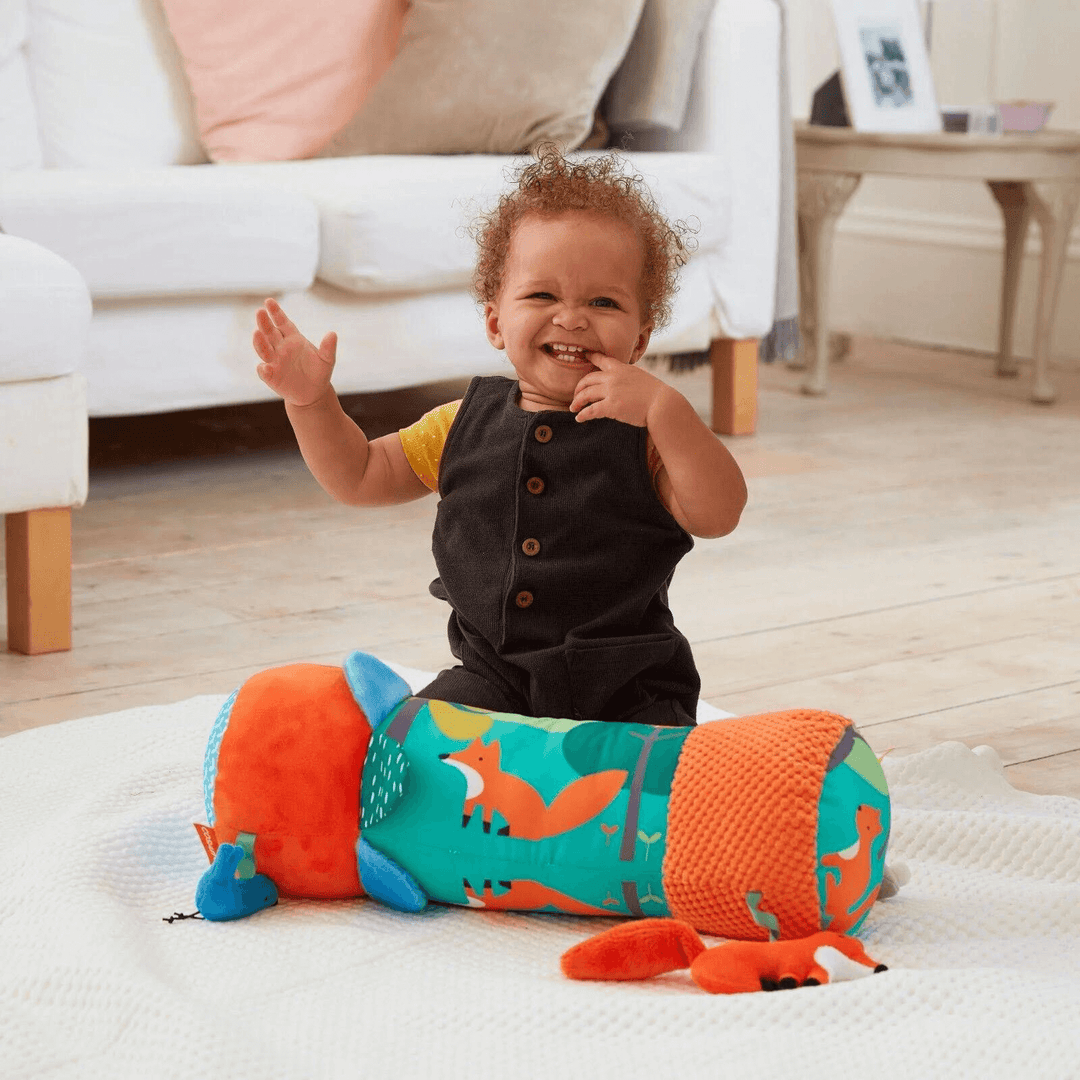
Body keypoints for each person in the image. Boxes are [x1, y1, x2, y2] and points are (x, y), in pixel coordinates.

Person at [252, 146, 747, 727]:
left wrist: (669, 410)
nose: (571, 317)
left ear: (639, 342)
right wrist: (312, 402)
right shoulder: (460, 426)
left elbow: (719, 513)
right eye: (542, 295)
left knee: (659, 781)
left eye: (604, 302)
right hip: (493, 678)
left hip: (630, 686)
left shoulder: (649, 435)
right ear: (495, 323)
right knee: (417, 740)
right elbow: (358, 475)